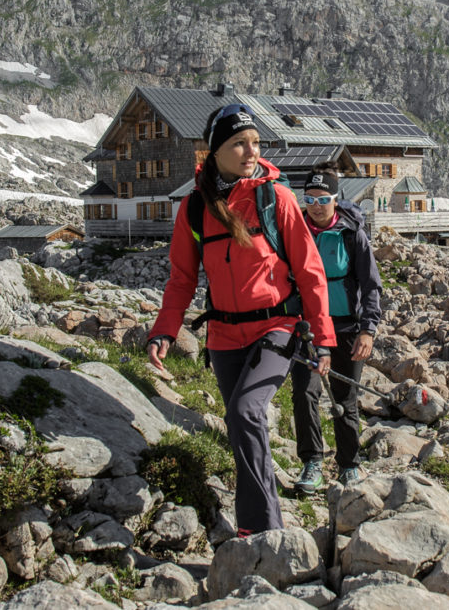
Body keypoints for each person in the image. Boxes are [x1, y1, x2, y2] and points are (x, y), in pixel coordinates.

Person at [144, 102, 336, 535]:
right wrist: (164, 331)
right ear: (214, 151)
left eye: (254, 142)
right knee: (238, 425)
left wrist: (323, 338)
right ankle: (261, 522)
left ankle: (263, 531)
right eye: (239, 143)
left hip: (277, 328)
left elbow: (309, 271)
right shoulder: (195, 209)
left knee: (247, 412)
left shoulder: (276, 197)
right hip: (224, 337)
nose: (251, 151)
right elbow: (181, 278)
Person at [290, 163, 382, 492]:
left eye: (323, 198)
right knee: (305, 392)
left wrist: (368, 329)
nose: (315, 206)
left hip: (348, 327)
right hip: (308, 328)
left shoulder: (351, 232)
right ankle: (312, 461)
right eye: (309, 199)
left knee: (347, 397)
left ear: (336, 198)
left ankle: (348, 464)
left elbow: (371, 285)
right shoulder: (294, 231)